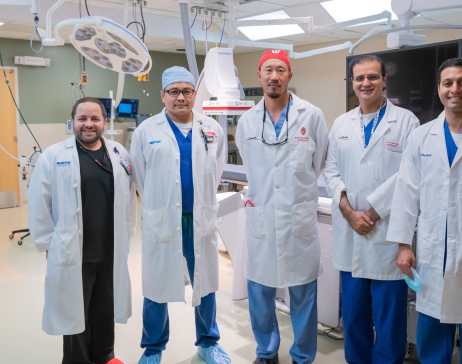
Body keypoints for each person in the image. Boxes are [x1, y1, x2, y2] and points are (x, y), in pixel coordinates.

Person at [387, 58, 462, 364]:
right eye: (448, 83)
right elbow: (406, 193)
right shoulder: (421, 136)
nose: (455, 89)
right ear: (439, 88)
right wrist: (403, 244)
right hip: (431, 257)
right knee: (432, 341)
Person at [324, 55, 419, 364]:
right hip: (351, 233)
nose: (366, 83)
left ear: (384, 80)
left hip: (387, 236)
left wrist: (373, 213)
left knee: (390, 319)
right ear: (352, 83)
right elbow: (330, 171)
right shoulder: (341, 123)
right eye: (359, 78)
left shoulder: (406, 122)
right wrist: (348, 211)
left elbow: (408, 174)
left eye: (372, 77)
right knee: (353, 316)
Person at [130, 66, 229, 364]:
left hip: (200, 220)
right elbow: (141, 178)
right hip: (164, 221)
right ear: (163, 95)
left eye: (187, 91)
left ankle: (208, 342)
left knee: (206, 282)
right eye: (174, 92)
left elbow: (217, 170)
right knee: (157, 285)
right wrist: (161, 207)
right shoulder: (146, 131)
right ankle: (153, 349)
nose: (181, 97)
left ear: (194, 94)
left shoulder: (212, 128)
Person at [235, 50, 328, 364]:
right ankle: (267, 351)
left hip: (297, 218)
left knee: (303, 295)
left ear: (289, 76)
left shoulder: (312, 115)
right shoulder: (247, 120)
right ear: (259, 75)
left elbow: (319, 164)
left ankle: (302, 356)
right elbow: (252, 165)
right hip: (262, 216)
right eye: (268, 70)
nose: (273, 76)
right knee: (260, 295)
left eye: (280, 70)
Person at [28, 97, 136, 364]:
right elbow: (39, 203)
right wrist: (47, 244)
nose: (89, 124)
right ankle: (77, 360)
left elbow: (129, 198)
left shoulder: (119, 153)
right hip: (73, 251)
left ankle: (104, 356)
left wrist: (128, 233)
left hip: (110, 249)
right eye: (82, 119)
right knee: (75, 313)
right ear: (72, 122)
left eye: (95, 119)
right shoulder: (54, 156)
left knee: (104, 309)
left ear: (104, 122)